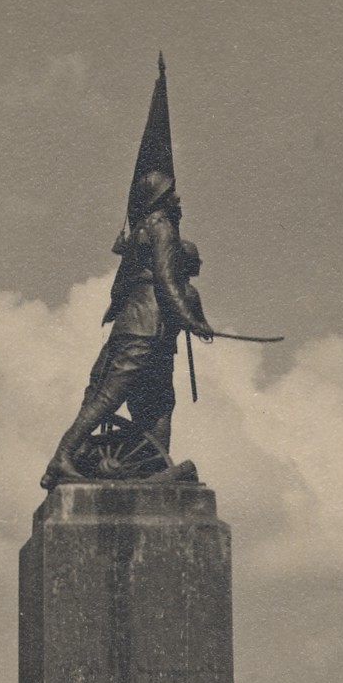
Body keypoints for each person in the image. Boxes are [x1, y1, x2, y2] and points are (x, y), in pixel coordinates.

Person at [44, 165, 216, 486]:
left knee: (160, 405)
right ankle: (62, 457)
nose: (177, 198)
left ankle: (155, 469)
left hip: (139, 329)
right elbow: (167, 282)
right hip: (146, 329)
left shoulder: (139, 232)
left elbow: (119, 290)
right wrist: (190, 319)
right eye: (171, 193)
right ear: (161, 197)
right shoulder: (162, 227)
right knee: (110, 397)